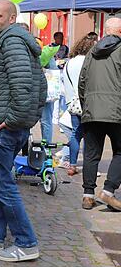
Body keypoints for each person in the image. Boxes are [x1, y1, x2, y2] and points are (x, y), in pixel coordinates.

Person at [0, 0, 46, 262]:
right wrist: (28, 118)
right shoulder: (19, 40)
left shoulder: (11, 41)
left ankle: (26, 243)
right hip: (12, 123)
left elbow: (24, 86)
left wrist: (13, 118)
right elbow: (40, 85)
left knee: (5, 185)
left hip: (5, 126)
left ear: (11, 18)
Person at [78, 17, 121, 211]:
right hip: (116, 110)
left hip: (92, 110)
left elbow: (82, 81)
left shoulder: (91, 53)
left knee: (91, 154)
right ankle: (109, 190)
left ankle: (88, 195)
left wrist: (86, 104)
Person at [60, 35, 97, 178]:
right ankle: (89, 167)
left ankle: (73, 164)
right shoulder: (89, 61)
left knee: (75, 134)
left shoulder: (70, 62)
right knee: (90, 136)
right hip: (87, 102)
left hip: (72, 104)